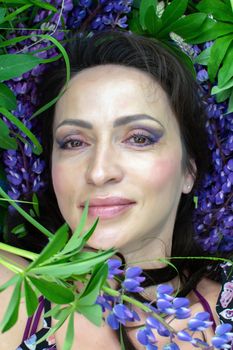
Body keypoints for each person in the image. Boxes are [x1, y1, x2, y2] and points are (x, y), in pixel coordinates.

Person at [0, 30, 232, 350]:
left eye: (139, 138)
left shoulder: (225, 306)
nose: (99, 172)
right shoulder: (9, 281)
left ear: (188, 170)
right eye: (74, 142)